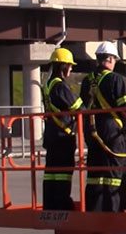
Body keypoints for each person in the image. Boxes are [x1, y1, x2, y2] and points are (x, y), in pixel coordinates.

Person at [81, 41, 126, 212]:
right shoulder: (115, 79)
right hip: (110, 131)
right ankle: (112, 212)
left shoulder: (87, 80)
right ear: (111, 59)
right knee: (112, 175)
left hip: (92, 131)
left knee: (95, 175)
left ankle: (94, 211)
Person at [42, 48, 84, 210]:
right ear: (63, 66)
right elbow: (78, 108)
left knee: (52, 172)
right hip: (63, 137)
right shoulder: (60, 86)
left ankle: (51, 204)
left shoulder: (48, 84)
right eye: (70, 66)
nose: (71, 69)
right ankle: (62, 204)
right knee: (64, 172)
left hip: (52, 135)